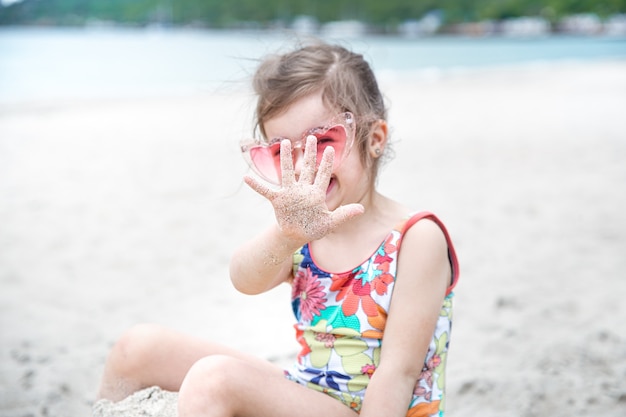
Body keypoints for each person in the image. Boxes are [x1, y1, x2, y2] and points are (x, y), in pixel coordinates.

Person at [98, 41, 459, 417]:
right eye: (282, 152)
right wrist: (288, 235)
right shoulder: (301, 231)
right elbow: (245, 278)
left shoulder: (416, 238)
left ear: (376, 139)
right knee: (135, 349)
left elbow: (398, 373)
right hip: (311, 393)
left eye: (322, 141)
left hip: (376, 410)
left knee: (214, 379)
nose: (304, 165)